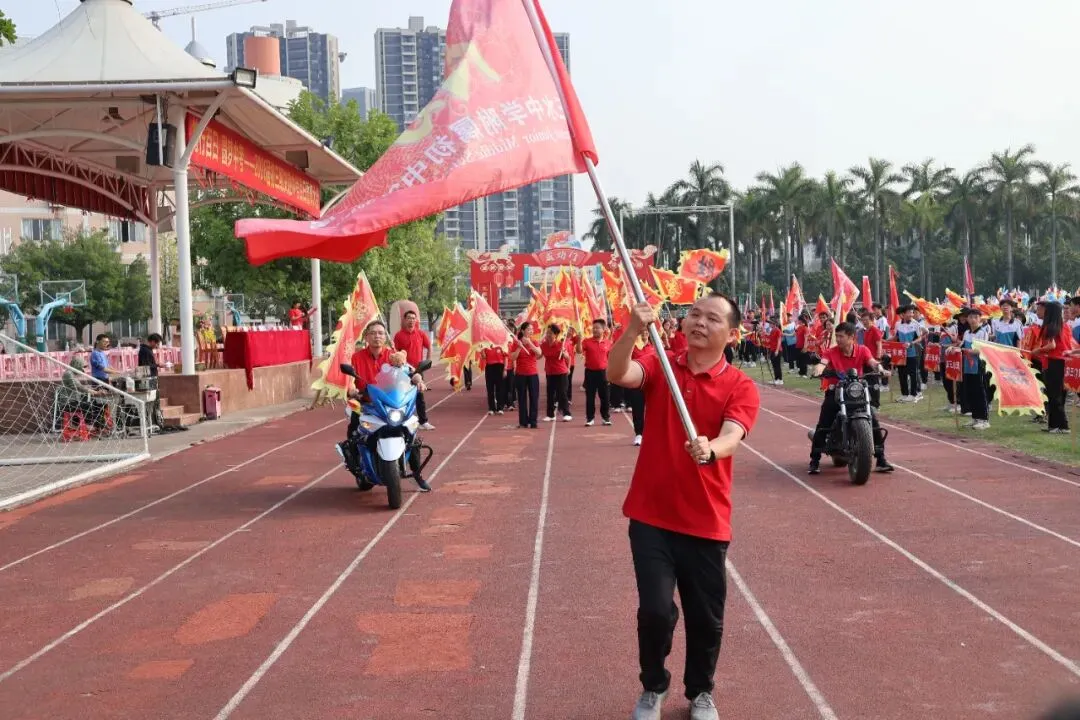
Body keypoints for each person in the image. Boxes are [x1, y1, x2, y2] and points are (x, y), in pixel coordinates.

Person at [608, 291, 760, 720]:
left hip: (706, 520)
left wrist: (711, 448)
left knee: (705, 617)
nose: (698, 322)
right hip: (651, 515)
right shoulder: (662, 364)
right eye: (694, 313)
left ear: (731, 335)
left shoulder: (740, 386)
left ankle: (701, 693)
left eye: (712, 319)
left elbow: (733, 435)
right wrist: (634, 329)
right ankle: (653, 686)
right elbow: (618, 372)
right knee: (655, 611)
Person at [342, 320, 430, 492]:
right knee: (354, 432)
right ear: (366, 337)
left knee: (412, 434)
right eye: (373, 333)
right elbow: (350, 381)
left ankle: (417, 474)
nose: (377, 336)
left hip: (392, 404)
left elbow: (410, 372)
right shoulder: (357, 357)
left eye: (381, 333)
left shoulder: (394, 356)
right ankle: (356, 465)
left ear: (385, 336)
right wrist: (351, 389)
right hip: (367, 404)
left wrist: (419, 380)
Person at [808, 321, 895, 474]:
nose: (838, 339)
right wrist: (818, 369)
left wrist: (881, 369)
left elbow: (873, 362)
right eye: (837, 336)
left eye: (841, 336)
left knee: (873, 419)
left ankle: (881, 459)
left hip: (856, 390)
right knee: (824, 422)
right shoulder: (831, 352)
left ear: (852, 337)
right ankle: (814, 460)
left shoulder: (863, 350)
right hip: (837, 391)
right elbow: (823, 363)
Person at [393, 310, 435, 431]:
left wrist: (428, 360)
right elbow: (395, 352)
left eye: (413, 318)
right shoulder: (399, 335)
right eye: (409, 318)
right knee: (404, 396)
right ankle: (404, 421)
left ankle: (423, 421)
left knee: (419, 396)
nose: (411, 320)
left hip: (418, 370)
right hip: (404, 370)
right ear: (404, 320)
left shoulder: (421, 334)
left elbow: (429, 347)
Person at [579, 318, 613, 426]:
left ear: (603, 329)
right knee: (590, 397)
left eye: (597, 328)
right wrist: (579, 340)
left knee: (605, 397)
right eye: (593, 328)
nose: (595, 330)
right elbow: (579, 351)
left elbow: (611, 358)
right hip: (590, 373)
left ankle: (605, 417)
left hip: (604, 373)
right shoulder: (587, 341)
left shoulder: (608, 343)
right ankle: (590, 418)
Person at [511, 321, 542, 428]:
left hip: (533, 374)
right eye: (529, 329)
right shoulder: (516, 343)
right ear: (523, 331)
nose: (531, 331)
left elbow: (539, 353)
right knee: (522, 398)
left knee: (534, 398)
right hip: (520, 375)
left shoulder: (535, 342)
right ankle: (523, 421)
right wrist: (519, 347)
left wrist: (529, 343)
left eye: (532, 329)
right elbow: (512, 358)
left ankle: (533, 421)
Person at [540, 324, 572, 422]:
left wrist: (568, 367)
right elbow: (539, 355)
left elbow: (568, 357)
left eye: (550, 333)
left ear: (556, 335)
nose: (548, 335)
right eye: (547, 333)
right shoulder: (544, 345)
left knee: (562, 393)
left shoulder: (560, 345)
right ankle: (550, 415)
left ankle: (566, 413)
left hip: (561, 372)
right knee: (550, 394)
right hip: (549, 372)